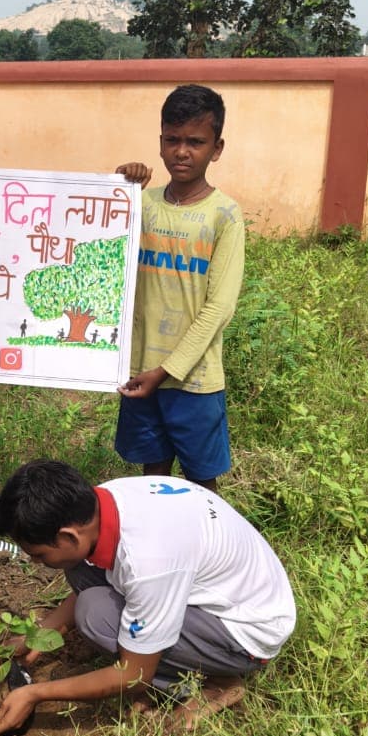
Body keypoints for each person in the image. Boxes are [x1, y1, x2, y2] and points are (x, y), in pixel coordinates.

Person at [0, 460, 295, 736]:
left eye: (40, 555)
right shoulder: (104, 501)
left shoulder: (149, 561)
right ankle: (166, 654)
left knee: (96, 616)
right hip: (226, 589)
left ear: (69, 535)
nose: (37, 563)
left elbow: (132, 675)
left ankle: (218, 683)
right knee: (80, 569)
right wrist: (40, 635)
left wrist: (35, 694)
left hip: (246, 633)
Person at [115, 83, 244, 492]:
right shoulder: (143, 204)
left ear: (217, 148)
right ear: (160, 142)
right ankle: (161, 554)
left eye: (195, 142)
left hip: (194, 380)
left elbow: (219, 307)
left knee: (201, 483)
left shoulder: (224, 215)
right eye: (172, 140)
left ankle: (206, 555)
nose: (182, 151)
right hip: (140, 371)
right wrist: (121, 190)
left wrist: (167, 370)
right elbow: (106, 252)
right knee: (153, 476)